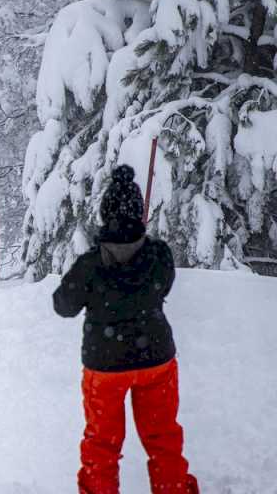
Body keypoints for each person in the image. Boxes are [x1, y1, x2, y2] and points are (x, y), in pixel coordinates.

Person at [53, 165, 198, 494]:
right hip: (157, 359)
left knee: (101, 444)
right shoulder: (159, 254)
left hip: (105, 366)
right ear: (139, 215)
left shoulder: (90, 264)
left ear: (105, 215)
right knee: (163, 440)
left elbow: (63, 306)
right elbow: (163, 287)